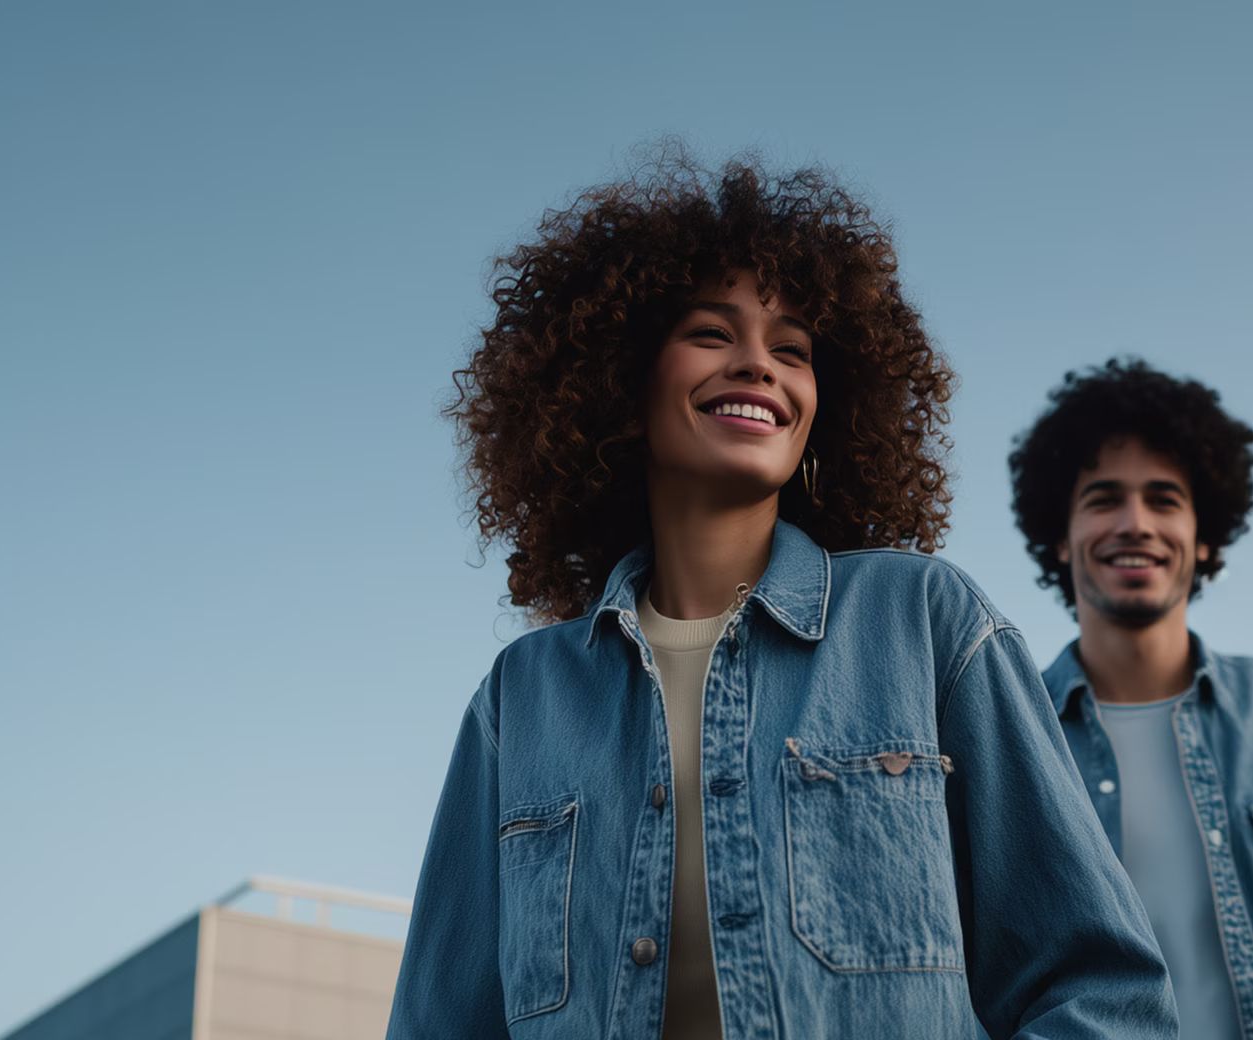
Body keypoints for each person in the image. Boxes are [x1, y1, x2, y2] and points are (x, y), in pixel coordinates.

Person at [385, 155, 1175, 1039]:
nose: (759, 365)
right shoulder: (520, 698)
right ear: (620, 379)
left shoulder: (923, 622)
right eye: (713, 334)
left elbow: (1100, 992)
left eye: (791, 349)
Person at [1011, 359, 1253, 1039]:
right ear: (1060, 538)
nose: (1134, 523)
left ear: (1204, 537)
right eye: (1102, 499)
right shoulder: (1006, 736)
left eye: (1163, 499)